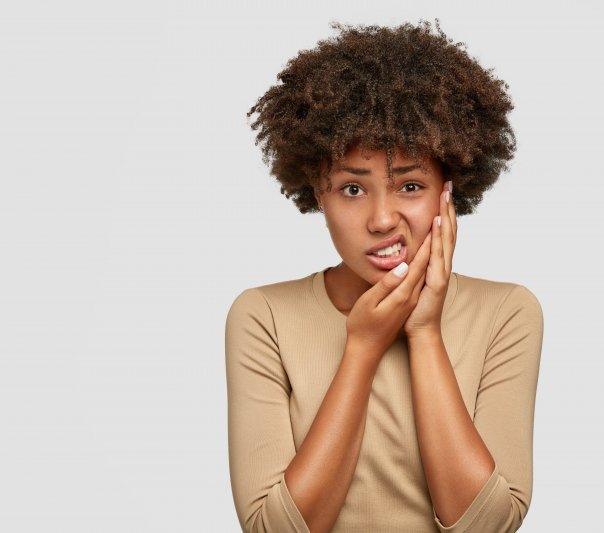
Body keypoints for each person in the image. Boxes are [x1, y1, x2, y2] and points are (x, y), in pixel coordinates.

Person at [225, 19, 544, 533]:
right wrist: (363, 347)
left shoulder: (507, 312)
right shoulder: (264, 316)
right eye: (353, 189)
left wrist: (424, 332)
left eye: (411, 186)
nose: (381, 218)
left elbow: (488, 525)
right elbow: (275, 529)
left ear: (449, 190)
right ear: (318, 194)